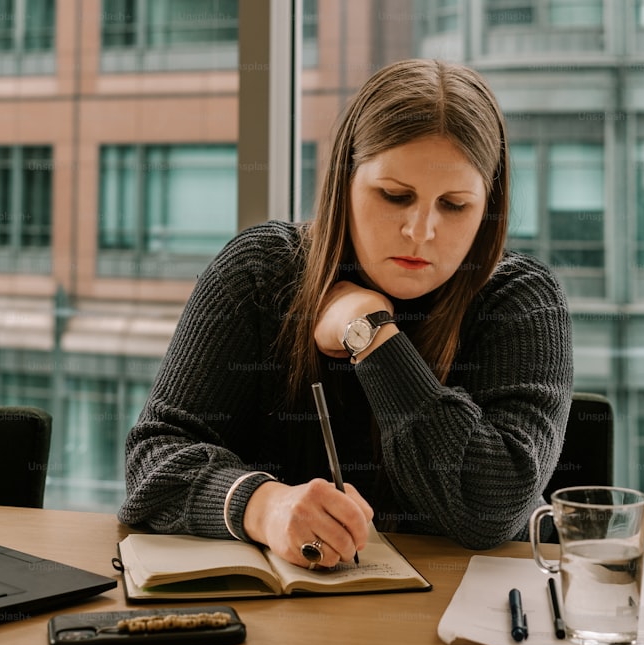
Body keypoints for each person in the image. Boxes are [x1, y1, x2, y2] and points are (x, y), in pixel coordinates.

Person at [118, 58, 573, 569]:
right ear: (344, 182)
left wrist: (372, 333)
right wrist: (264, 506)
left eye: (454, 205)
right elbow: (152, 461)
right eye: (395, 196)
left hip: (464, 631)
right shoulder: (259, 273)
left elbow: (488, 510)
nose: (420, 232)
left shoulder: (521, 301)